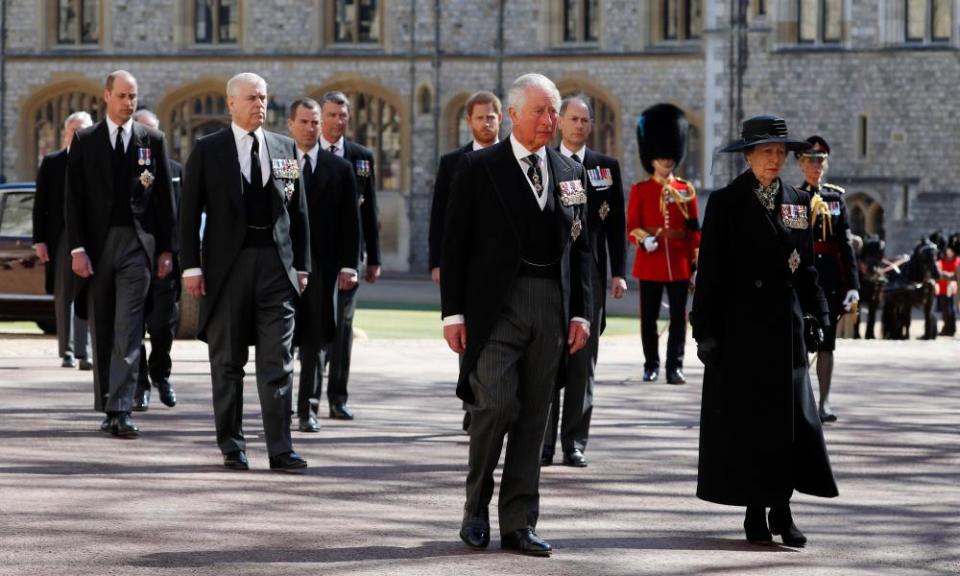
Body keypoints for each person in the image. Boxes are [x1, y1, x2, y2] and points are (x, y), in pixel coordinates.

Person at [442, 73, 592, 557]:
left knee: (534, 417)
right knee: (497, 405)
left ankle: (520, 523)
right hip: (495, 308)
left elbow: (582, 249)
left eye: (554, 112)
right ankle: (475, 508)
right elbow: (456, 245)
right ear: (513, 115)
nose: (551, 122)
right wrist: (453, 315)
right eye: (542, 112)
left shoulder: (570, 174)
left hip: (552, 304)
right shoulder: (479, 168)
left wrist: (582, 313)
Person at [692, 114, 837, 547]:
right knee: (751, 426)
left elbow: (806, 265)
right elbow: (711, 272)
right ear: (749, 156)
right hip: (742, 331)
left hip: (786, 329)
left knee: (790, 425)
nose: (775, 160)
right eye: (766, 153)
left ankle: (783, 508)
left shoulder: (795, 200)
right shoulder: (726, 202)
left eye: (780, 153)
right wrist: (706, 332)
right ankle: (756, 510)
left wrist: (819, 315)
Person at [179, 73, 310, 471]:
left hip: (276, 266)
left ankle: (280, 448)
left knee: (279, 360)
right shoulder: (208, 149)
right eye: (252, 98)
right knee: (228, 361)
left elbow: (297, 211)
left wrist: (301, 266)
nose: (260, 105)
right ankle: (232, 446)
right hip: (227, 269)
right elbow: (188, 214)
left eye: (264, 98)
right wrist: (191, 267)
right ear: (230, 103)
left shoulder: (285, 148)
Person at [65, 71, 176, 438]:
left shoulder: (152, 139)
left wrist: (165, 250)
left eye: (134, 96)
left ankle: (122, 407)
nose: (130, 102)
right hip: (97, 248)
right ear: (106, 96)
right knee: (103, 326)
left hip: (136, 245)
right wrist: (78, 249)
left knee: (129, 329)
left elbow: (164, 201)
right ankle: (107, 404)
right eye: (124, 96)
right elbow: (74, 200)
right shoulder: (85, 140)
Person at [542, 95, 626, 468]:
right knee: (545, 362)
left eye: (585, 120)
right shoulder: (545, 161)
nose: (579, 126)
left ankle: (574, 441)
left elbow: (617, 226)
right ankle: (542, 443)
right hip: (551, 273)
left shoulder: (605, 169)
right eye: (573, 119)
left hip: (589, 276)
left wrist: (619, 272)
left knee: (582, 363)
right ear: (560, 122)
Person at [427, 89, 503, 433]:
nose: (486, 122)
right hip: (467, 266)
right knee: (468, 338)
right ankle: (472, 403)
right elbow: (440, 216)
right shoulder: (452, 163)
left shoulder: (512, 159)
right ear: (468, 121)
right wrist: (438, 262)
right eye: (480, 117)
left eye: (491, 116)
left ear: (501, 118)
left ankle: (495, 402)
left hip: (503, 264)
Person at [287, 97, 361, 433]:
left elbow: (351, 222)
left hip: (323, 267)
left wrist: (349, 265)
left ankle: (308, 408)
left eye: (315, 122)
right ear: (290, 124)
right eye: (303, 122)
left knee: (315, 341)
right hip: (285, 266)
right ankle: (282, 404)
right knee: (283, 339)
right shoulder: (282, 163)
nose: (310, 128)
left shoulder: (340, 169)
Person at [318, 91, 382, 421]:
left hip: (348, 257)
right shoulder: (305, 153)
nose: (337, 121)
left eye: (343, 116)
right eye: (331, 115)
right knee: (314, 327)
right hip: (314, 256)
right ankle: (309, 399)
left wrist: (374, 259)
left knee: (343, 329)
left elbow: (369, 211)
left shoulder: (360, 157)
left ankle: (337, 398)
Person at [626, 104, 700, 385]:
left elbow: (694, 230)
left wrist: (694, 263)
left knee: (680, 321)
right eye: (661, 156)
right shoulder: (641, 190)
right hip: (651, 262)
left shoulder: (686, 189)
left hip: (679, 263)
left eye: (670, 156)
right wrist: (646, 241)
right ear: (651, 158)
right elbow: (632, 226)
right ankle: (651, 365)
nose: (666, 160)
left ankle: (675, 367)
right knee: (648, 319)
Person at [798, 136, 860, 423]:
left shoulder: (836, 198)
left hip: (831, 281)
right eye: (810, 160)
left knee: (827, 343)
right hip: (802, 278)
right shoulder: (794, 197)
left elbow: (845, 245)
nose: (816, 165)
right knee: (798, 342)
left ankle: (823, 403)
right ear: (800, 163)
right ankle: (799, 401)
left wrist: (853, 287)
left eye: (820, 160)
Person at [33, 111, 93, 370]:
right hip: (62, 237)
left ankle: (86, 352)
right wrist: (40, 240)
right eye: (75, 131)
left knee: (89, 294)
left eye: (84, 131)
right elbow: (40, 205)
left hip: (93, 237)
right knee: (65, 295)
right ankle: (68, 351)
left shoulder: (99, 161)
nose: (79, 135)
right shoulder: (52, 162)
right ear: (66, 134)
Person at [131, 109, 180, 412]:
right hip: (136, 257)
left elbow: (182, 215)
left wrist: (176, 254)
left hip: (165, 260)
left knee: (163, 324)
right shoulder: (130, 171)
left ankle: (161, 373)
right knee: (133, 325)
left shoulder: (176, 170)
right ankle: (140, 384)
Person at [936, 245, 958, 336]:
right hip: (942, 289)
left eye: (950, 251)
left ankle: (951, 329)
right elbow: (938, 270)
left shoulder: (957, 261)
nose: (949, 253)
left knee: (951, 310)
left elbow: (956, 273)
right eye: (948, 251)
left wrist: (946, 275)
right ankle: (946, 328)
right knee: (945, 311)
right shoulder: (942, 261)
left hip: (952, 289)